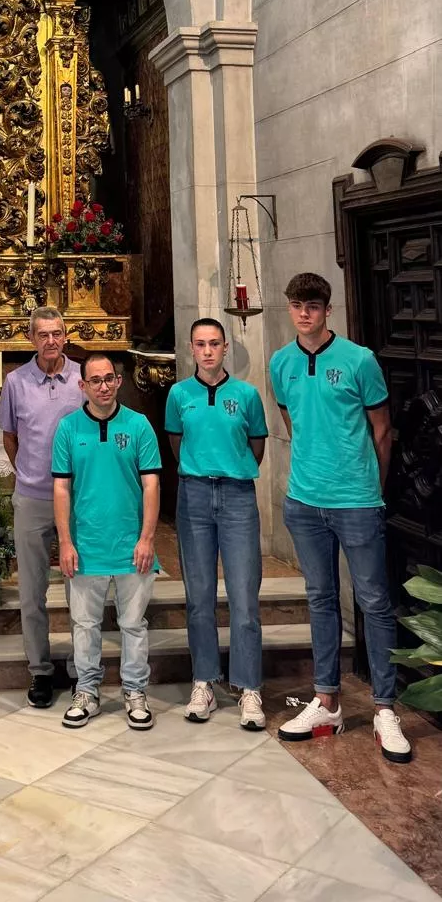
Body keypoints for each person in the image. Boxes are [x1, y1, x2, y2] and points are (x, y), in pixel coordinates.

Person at [270, 271, 411, 763]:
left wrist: (371, 486)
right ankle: (326, 700)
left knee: (373, 601)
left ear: (328, 310)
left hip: (356, 500)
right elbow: (294, 421)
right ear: (289, 309)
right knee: (320, 599)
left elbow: (382, 429)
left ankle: (384, 708)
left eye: (313, 304)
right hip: (304, 501)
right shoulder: (281, 362)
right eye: (297, 304)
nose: (304, 312)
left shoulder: (359, 360)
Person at [166, 318, 268, 730]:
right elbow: (177, 442)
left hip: (238, 495)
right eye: (200, 345)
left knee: (244, 596)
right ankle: (204, 680)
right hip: (193, 496)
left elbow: (256, 445)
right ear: (192, 349)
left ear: (226, 348)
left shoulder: (246, 395)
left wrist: (231, 470)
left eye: (214, 344)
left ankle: (249, 687)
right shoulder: (178, 394)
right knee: (199, 596)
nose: (207, 351)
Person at [52, 351, 161, 730]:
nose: (102, 386)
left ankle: (134, 691)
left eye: (109, 378)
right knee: (84, 624)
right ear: (82, 386)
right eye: (94, 380)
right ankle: (87, 691)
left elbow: (151, 484)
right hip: (86, 545)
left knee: (133, 624)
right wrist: (65, 542)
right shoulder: (68, 428)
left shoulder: (139, 425)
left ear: (118, 381)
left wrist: (147, 538)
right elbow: (62, 489)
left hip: (132, 544)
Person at [0, 306, 84, 707]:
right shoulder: (16, 382)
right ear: (31, 338)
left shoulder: (84, 377)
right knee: (32, 591)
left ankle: (84, 669)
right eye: (43, 334)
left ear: (66, 336)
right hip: (32, 497)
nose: (51, 340)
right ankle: (40, 671)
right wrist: (30, 474)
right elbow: (10, 437)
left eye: (58, 333)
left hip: (78, 498)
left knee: (79, 588)